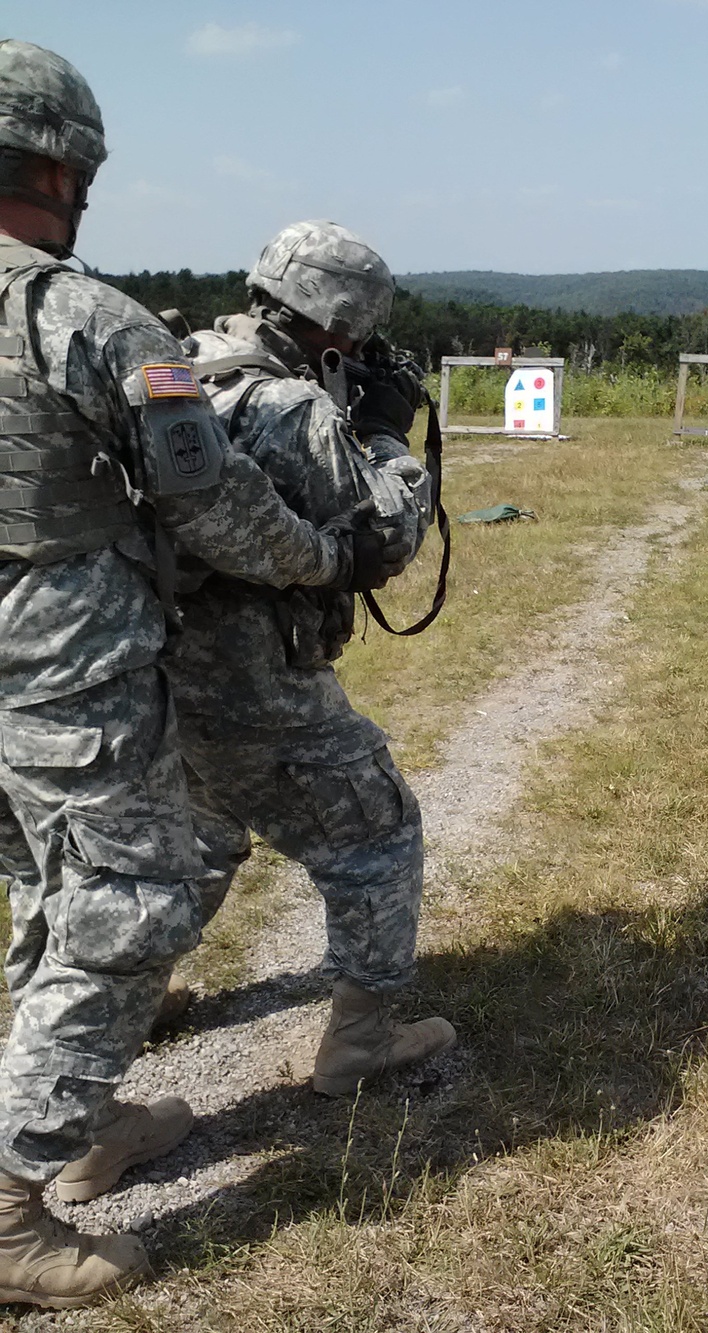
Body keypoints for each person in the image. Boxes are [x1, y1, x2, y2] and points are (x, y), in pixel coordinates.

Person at [0, 43, 399, 1308]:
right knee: (128, 903)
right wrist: (318, 555)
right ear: (65, 167)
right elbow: (214, 502)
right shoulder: (79, 319)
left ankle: (88, 1107)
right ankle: (11, 1205)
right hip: (61, 667)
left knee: (49, 887)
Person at [162, 220, 455, 1097]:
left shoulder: (185, 365)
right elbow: (387, 535)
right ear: (339, 327)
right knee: (379, 832)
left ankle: (136, 1003)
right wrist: (390, 438)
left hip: (158, 670)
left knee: (200, 841)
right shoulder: (288, 408)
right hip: (253, 682)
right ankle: (360, 1043)